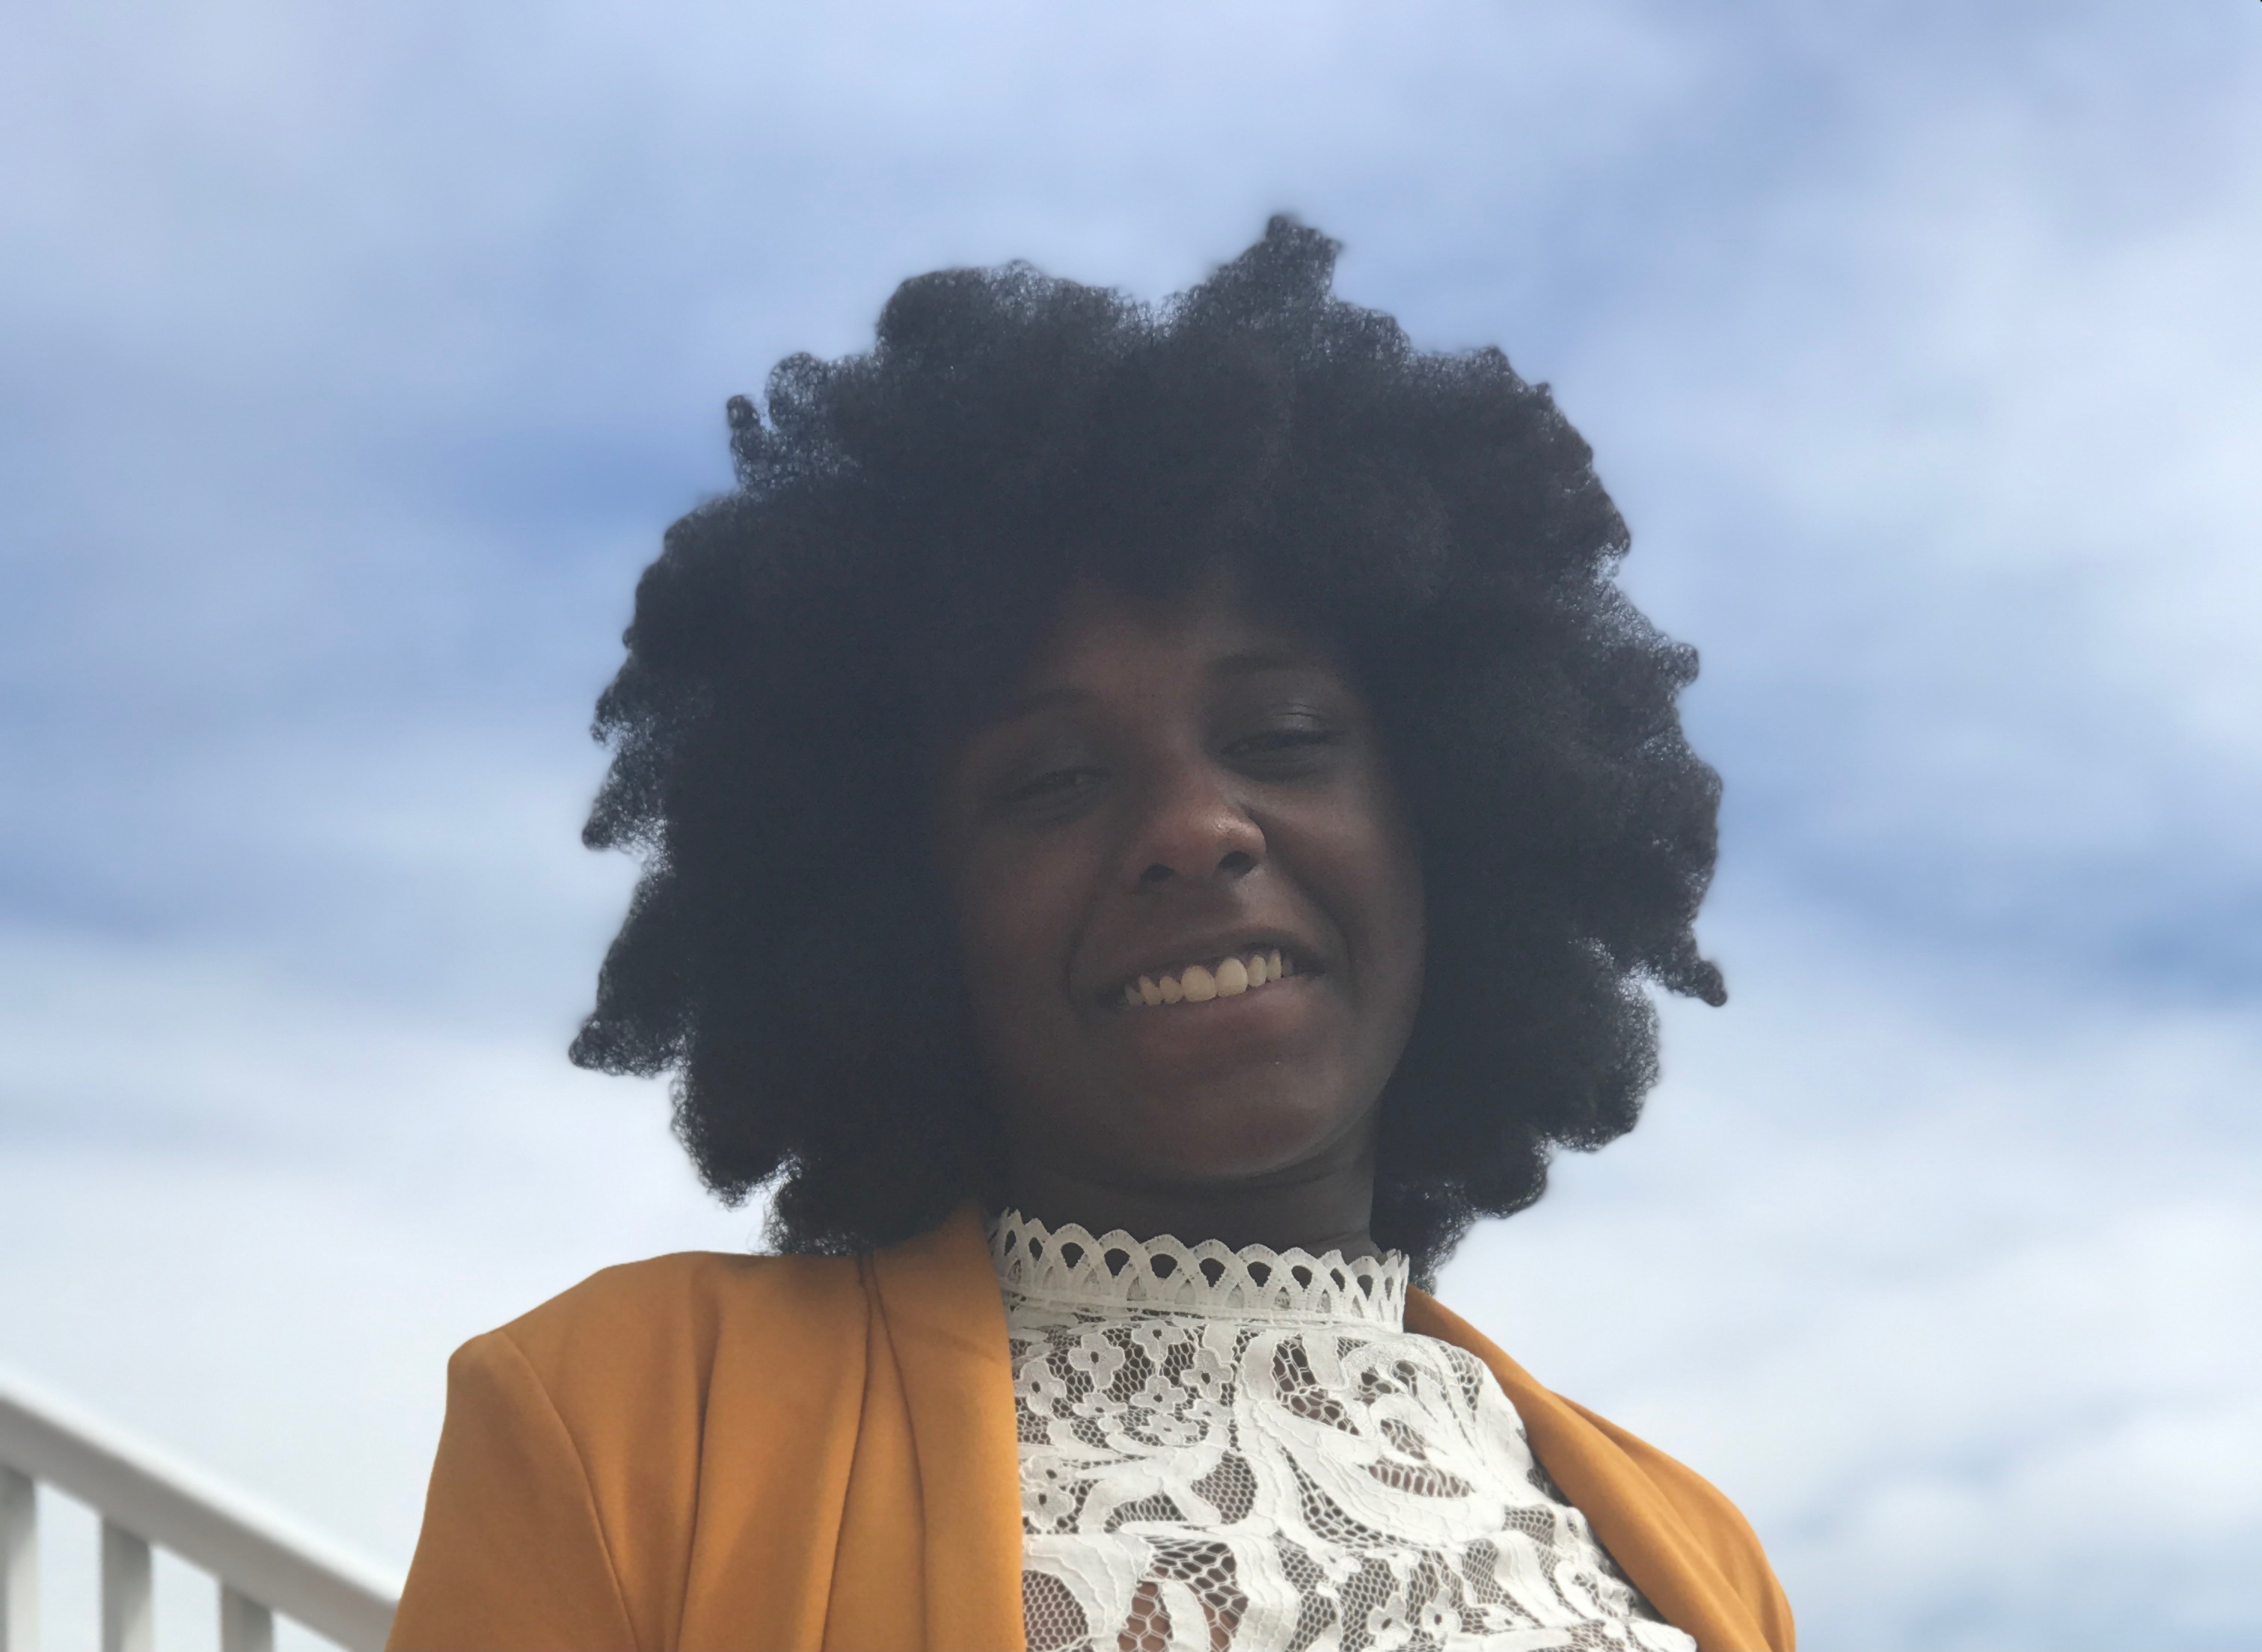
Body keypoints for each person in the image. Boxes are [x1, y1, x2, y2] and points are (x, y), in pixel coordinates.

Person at [386, 218, 1793, 1652]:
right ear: (899, 910)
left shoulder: (1696, 1557)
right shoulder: (625, 1421)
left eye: (1284, 737)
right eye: (1054, 781)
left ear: (1457, 809)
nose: (1197, 826)